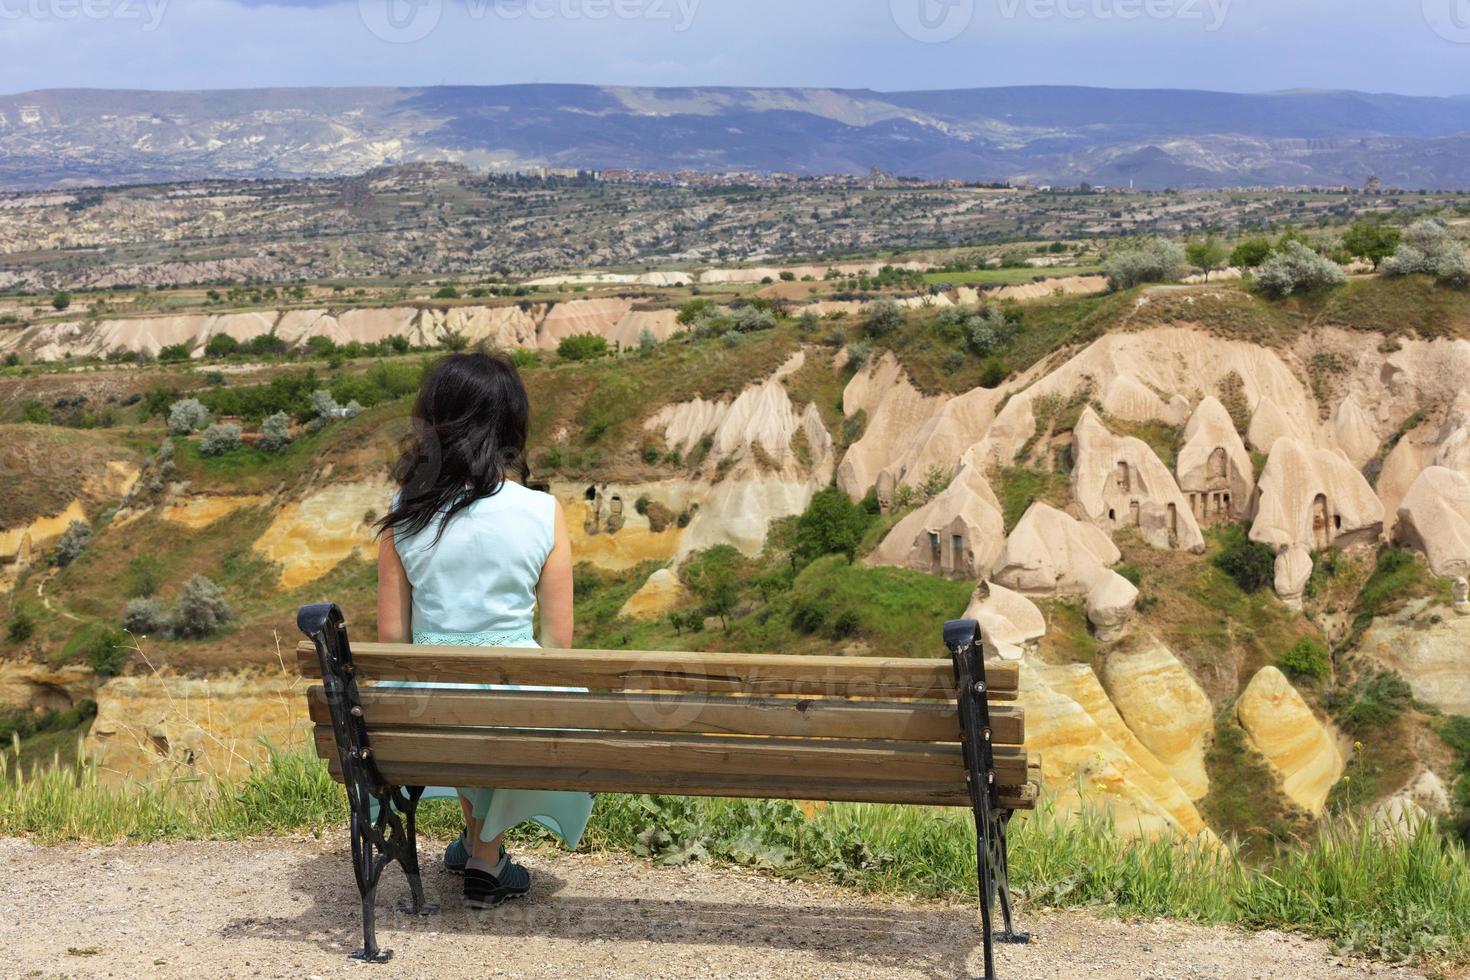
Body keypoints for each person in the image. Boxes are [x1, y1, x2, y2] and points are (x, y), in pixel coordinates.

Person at [375, 352, 592, 910]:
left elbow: (393, 640)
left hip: (429, 712)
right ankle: (485, 856)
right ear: (509, 425)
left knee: (449, 688)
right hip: (512, 704)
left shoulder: (404, 513)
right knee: (522, 691)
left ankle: (480, 848)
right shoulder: (542, 512)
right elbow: (559, 645)